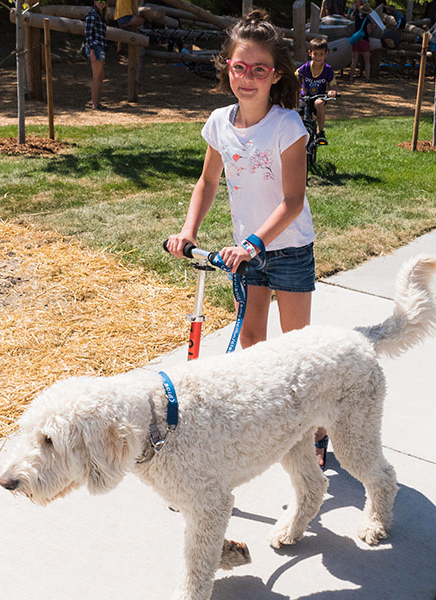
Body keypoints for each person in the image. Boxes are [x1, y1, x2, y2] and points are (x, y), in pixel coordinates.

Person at [164, 10, 326, 467]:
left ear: (276, 76)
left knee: (298, 350)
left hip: (288, 247)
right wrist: (188, 230)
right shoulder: (218, 121)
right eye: (240, 67)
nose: (248, 77)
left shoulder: (288, 125)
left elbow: (293, 201)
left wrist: (254, 242)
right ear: (226, 68)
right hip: (246, 252)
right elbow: (207, 182)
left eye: (259, 69)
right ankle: (263, 425)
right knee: (252, 341)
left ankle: (315, 431)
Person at [297, 37, 338, 143]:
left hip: (319, 96)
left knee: (319, 103)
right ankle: (298, 134)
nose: (318, 57)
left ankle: (320, 132)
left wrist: (332, 91)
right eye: (315, 54)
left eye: (321, 54)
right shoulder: (305, 68)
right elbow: (295, 77)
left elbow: (333, 84)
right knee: (298, 112)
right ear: (310, 53)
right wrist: (299, 88)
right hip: (305, 96)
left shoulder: (328, 70)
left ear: (326, 53)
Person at [82, 0, 108, 110]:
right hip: (95, 48)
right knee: (97, 76)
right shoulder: (92, 14)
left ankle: (97, 102)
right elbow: (88, 35)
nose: (101, 3)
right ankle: (94, 104)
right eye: (99, 0)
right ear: (94, 1)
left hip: (100, 47)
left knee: (100, 76)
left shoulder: (100, 16)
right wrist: (92, 50)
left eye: (103, 1)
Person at [348, 0, 375, 82]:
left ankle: (351, 77)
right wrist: (372, 27)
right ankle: (367, 78)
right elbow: (369, 32)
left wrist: (354, 9)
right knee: (367, 61)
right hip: (364, 41)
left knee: (354, 61)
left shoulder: (356, 17)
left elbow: (351, 16)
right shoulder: (367, 20)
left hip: (356, 40)